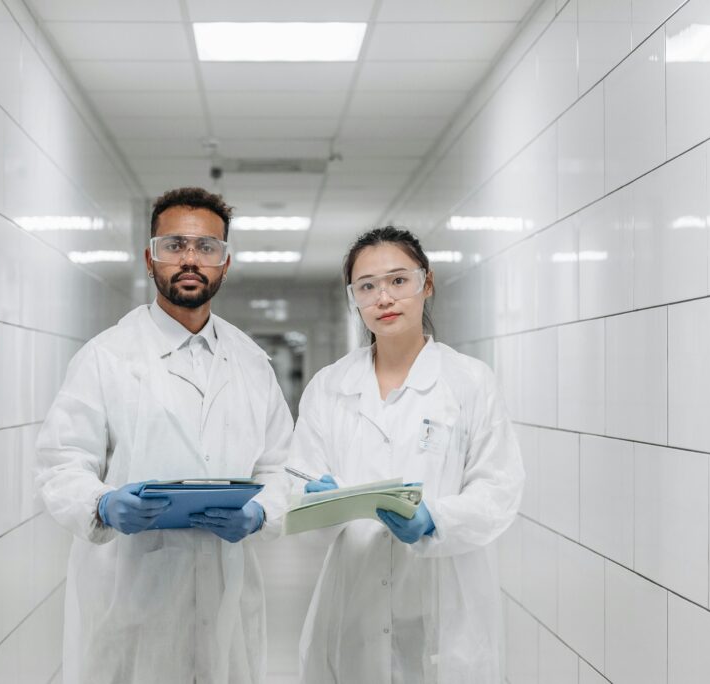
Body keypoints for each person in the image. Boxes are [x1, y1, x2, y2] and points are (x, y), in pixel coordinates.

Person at [35, 187, 293, 684]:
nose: (190, 259)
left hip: (225, 591)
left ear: (226, 262)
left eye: (206, 248)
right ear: (150, 258)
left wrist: (263, 512)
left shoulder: (251, 363)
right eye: (174, 245)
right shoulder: (106, 357)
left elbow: (282, 464)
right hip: (130, 595)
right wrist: (103, 505)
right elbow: (60, 463)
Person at [287, 226, 524, 683]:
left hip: (442, 597)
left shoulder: (469, 382)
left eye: (399, 280)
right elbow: (297, 482)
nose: (384, 298)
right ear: (353, 298)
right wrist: (315, 501)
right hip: (353, 596)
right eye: (367, 286)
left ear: (426, 284)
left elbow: (499, 486)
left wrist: (435, 519)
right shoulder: (330, 387)